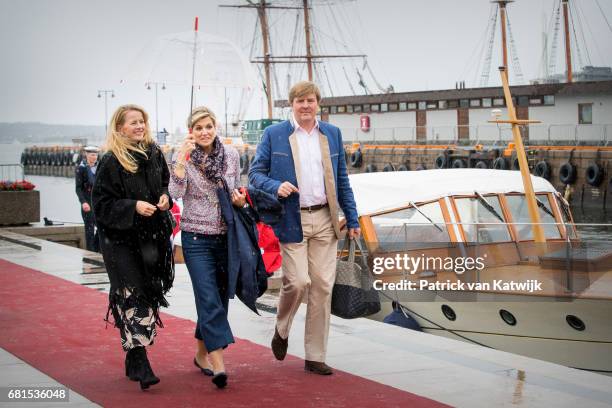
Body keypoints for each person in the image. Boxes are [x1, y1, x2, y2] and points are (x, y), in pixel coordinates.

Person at [249, 81, 360, 375]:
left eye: (310, 100)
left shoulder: (332, 134)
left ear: (318, 103)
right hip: (292, 217)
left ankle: (315, 355)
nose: (306, 106)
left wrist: (353, 217)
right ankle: (282, 329)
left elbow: (341, 180)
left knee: (322, 287)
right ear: (292, 105)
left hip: (326, 218)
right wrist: (275, 186)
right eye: (300, 101)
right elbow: (255, 175)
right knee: (298, 282)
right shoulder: (275, 134)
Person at [92, 104, 174, 391]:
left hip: (151, 239)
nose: (140, 126)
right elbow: (101, 205)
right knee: (132, 295)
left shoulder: (154, 153)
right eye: (133, 122)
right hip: (120, 241)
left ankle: (131, 354)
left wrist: (165, 198)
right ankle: (140, 358)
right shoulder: (110, 160)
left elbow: (165, 185)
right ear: (119, 128)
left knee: (149, 294)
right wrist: (133, 206)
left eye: (142, 121)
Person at [168, 106, 245, 389]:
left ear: (216, 127)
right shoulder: (185, 158)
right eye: (198, 128)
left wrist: (240, 199)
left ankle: (201, 354)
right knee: (207, 297)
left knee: (219, 299)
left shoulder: (232, 155)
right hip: (195, 237)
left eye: (208, 126)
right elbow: (175, 194)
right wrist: (179, 161)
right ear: (191, 131)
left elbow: (235, 189)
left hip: (226, 235)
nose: (204, 132)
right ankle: (219, 364)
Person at [75, 145, 100, 252]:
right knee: (89, 229)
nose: (94, 157)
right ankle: (90, 252)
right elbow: (78, 188)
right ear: (86, 155)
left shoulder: (100, 167)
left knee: (102, 227)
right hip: (87, 202)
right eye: (92, 155)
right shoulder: (81, 168)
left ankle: (96, 248)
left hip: (99, 202)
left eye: (96, 155)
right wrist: (83, 202)